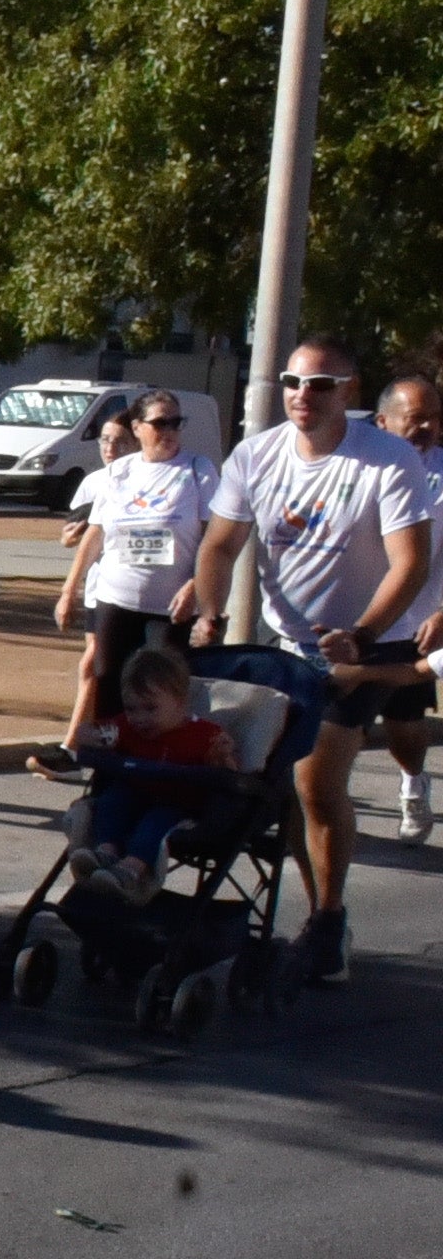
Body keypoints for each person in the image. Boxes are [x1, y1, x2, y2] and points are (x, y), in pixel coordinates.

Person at [188, 339, 433, 984]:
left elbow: (410, 563)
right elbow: (219, 543)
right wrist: (210, 612)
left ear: (348, 391)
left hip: (372, 642)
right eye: (294, 380)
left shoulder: (387, 459)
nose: (303, 393)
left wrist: (362, 631)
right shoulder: (257, 454)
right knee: (270, 777)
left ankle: (327, 922)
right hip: (287, 639)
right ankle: (302, 899)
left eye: (320, 383)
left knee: (316, 777)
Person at [40, 391, 215, 770]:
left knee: (165, 689)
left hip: (171, 603)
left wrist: (194, 586)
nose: (169, 430)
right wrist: (69, 590)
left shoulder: (197, 471)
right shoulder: (119, 473)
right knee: (106, 678)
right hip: (117, 596)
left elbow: (213, 540)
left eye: (176, 422)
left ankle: (167, 766)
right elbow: (96, 533)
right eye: (159, 423)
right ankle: (108, 769)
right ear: (137, 428)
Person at [68, 642, 241, 905]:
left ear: (181, 703)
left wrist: (222, 758)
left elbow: (230, 775)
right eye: (132, 708)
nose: (139, 718)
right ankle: (106, 851)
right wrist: (95, 738)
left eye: (150, 709)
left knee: (156, 823)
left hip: (178, 801)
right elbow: (83, 732)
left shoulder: (203, 735)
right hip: (137, 791)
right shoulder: (126, 727)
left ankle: (131, 870)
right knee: (114, 800)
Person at [374, 373, 443, 841]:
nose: (427, 428)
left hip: (413, 622)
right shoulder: (358, 465)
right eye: (416, 418)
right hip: (346, 620)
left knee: (403, 726)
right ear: (384, 421)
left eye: (434, 419)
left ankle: (413, 782)